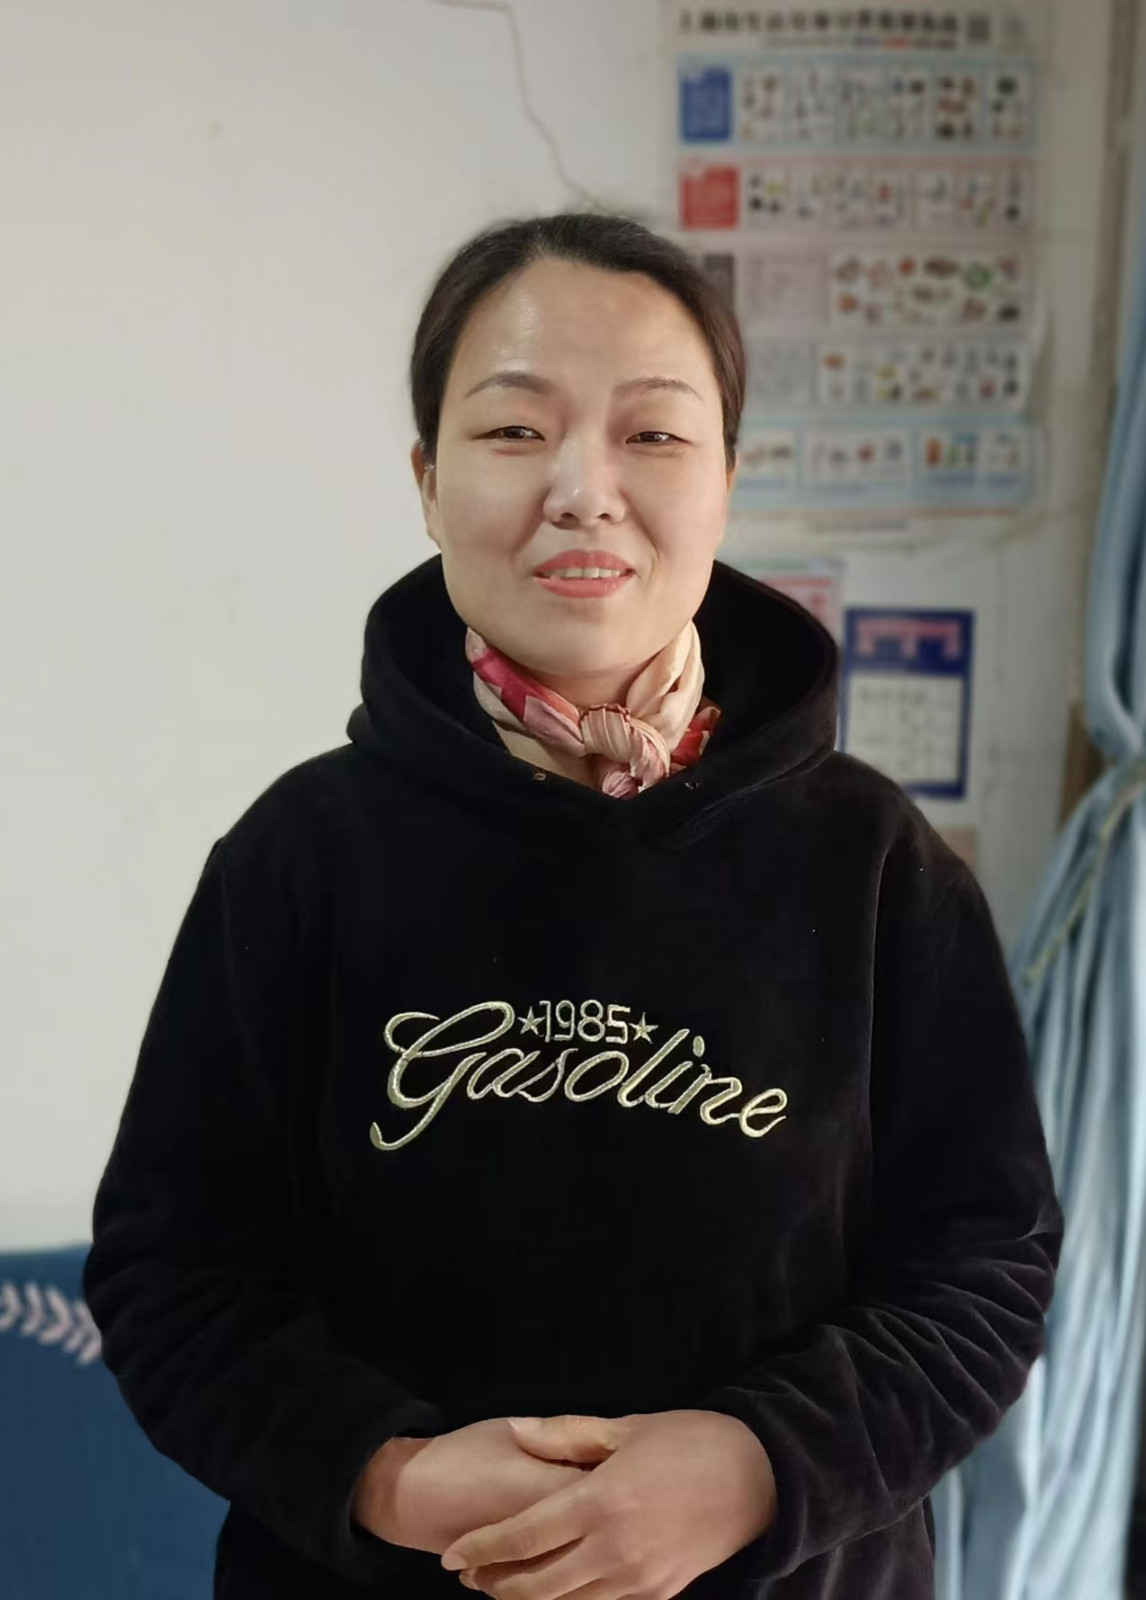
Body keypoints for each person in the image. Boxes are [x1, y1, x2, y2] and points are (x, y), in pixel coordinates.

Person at [83, 210, 1064, 1600]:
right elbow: (173, 1278)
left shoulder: (876, 866)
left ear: (727, 479)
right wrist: (391, 1478)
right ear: (429, 482)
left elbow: (984, 1268)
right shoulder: (299, 857)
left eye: (653, 433)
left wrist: (758, 1466)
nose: (584, 490)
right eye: (513, 430)